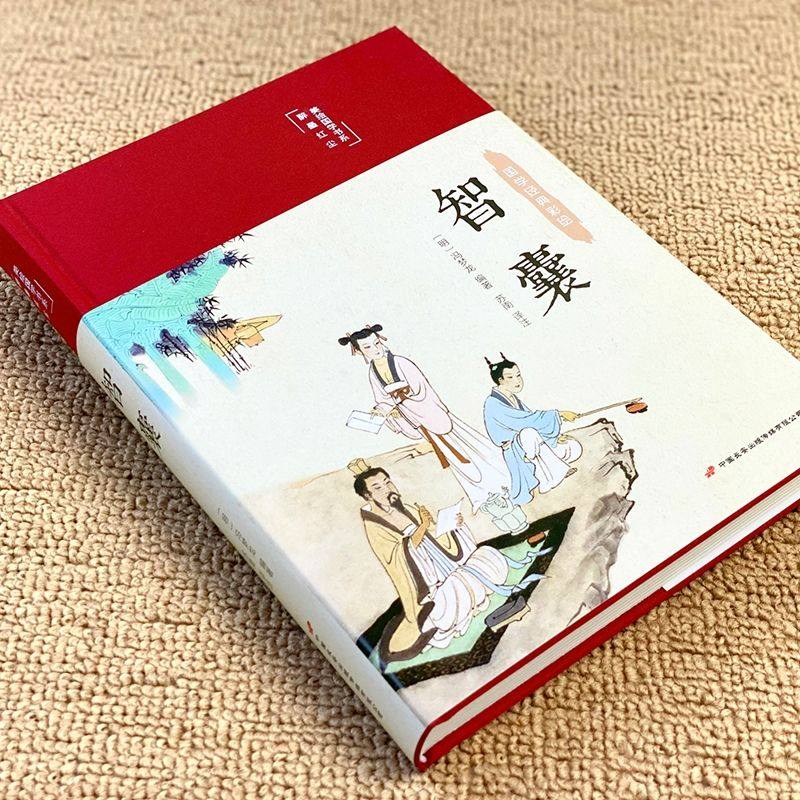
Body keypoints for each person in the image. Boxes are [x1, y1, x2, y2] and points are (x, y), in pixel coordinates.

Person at [350, 460, 540, 664]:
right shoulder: (375, 526)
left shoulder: (405, 507)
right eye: (378, 487)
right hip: (429, 581)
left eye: (387, 482)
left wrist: (452, 526)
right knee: (453, 593)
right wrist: (422, 527)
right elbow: (398, 556)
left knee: (488, 556)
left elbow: (434, 532)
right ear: (368, 496)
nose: (387, 488)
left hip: (445, 561)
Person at [339, 325, 512, 516]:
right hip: (416, 418)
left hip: (429, 413)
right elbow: (383, 399)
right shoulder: (373, 372)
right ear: (359, 351)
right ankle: (481, 493)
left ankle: (499, 480)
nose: (375, 349)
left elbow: (421, 389)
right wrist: (382, 410)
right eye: (368, 347)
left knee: (465, 448)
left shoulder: (401, 363)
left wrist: (400, 403)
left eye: (376, 343)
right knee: (452, 458)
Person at [483, 355, 582, 506]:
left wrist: (554, 438)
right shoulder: (493, 403)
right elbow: (527, 421)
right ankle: (550, 478)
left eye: (518, 375)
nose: (517, 380)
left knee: (573, 447)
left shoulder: (513, 399)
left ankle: (551, 467)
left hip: (531, 445)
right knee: (528, 433)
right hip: (517, 450)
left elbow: (532, 419)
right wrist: (559, 414)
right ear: (500, 380)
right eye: (510, 377)